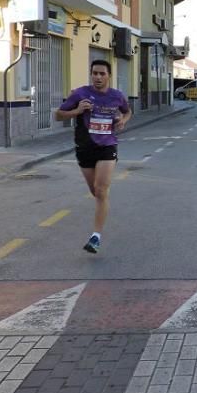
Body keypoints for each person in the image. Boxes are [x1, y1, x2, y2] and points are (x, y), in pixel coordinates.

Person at [56, 60, 131, 254]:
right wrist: (77, 111)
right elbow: (58, 115)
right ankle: (102, 204)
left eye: (102, 74)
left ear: (109, 75)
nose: (98, 77)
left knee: (101, 189)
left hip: (107, 146)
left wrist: (122, 120)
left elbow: (128, 111)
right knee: (97, 193)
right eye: (95, 73)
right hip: (85, 147)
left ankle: (95, 237)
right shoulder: (80, 94)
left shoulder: (117, 96)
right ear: (91, 75)